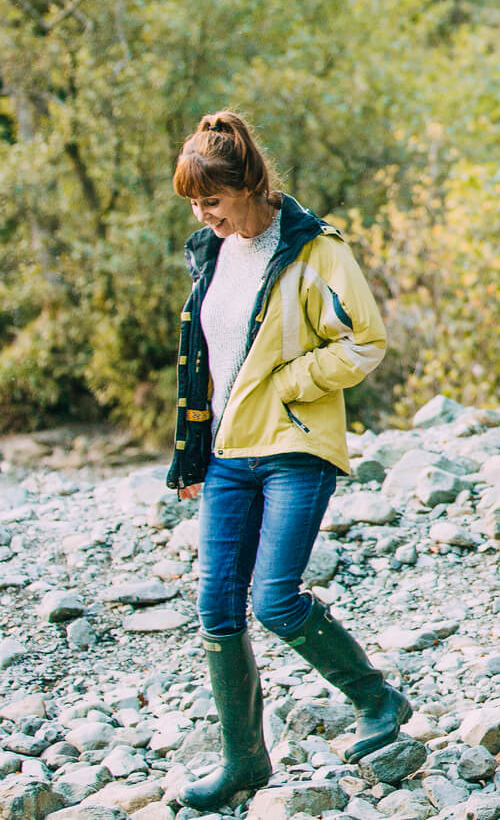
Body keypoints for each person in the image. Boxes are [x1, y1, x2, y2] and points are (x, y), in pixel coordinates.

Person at [165, 112, 410, 809]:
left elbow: (365, 340)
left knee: (274, 600)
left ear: (248, 186)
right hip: (226, 454)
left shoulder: (315, 249)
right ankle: (244, 762)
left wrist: (291, 384)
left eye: (211, 200)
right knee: (216, 606)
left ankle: (377, 699)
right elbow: (206, 363)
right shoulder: (210, 252)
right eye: (192, 202)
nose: (202, 213)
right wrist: (190, 458)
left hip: (295, 446)